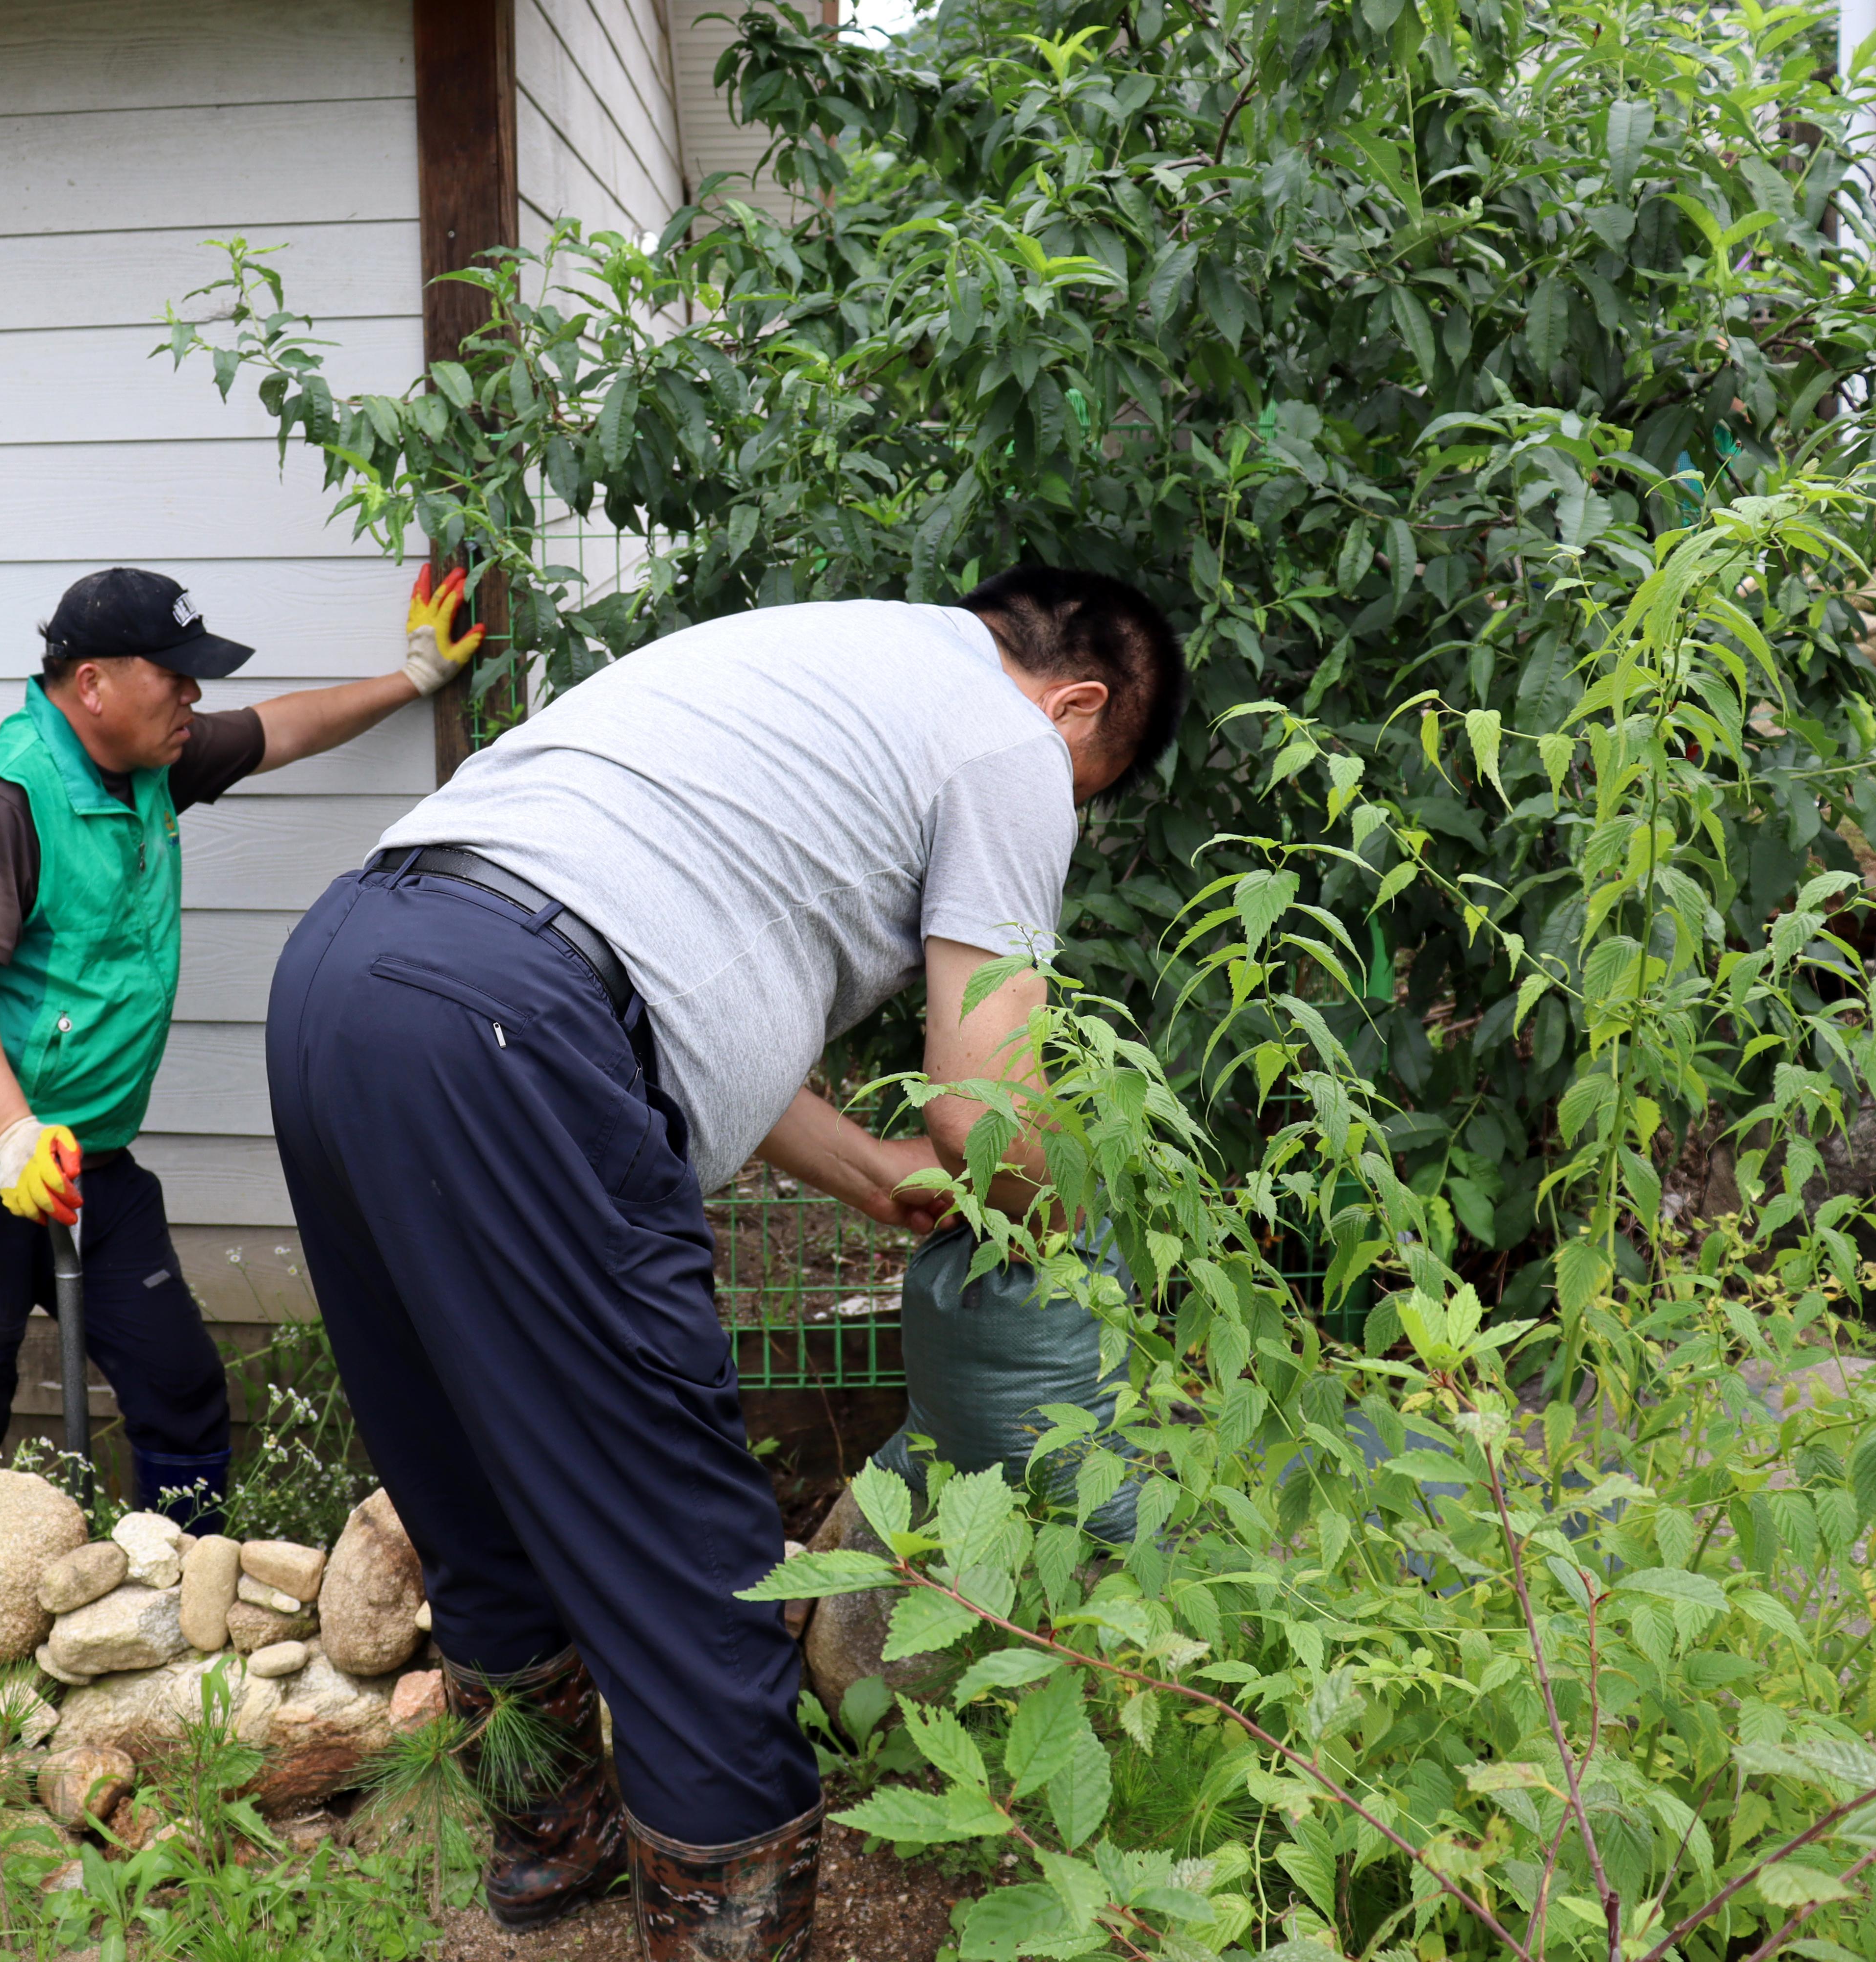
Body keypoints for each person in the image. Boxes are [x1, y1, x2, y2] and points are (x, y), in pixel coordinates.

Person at [263, 567, 1186, 1959]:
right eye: (1090, 783)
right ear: (1082, 703)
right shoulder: (1011, 742)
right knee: (698, 1562)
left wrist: (871, 1175)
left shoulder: (821, 661)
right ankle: (730, 1937)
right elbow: (984, 1109)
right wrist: (1053, 1232)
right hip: (513, 1025)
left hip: (342, 980)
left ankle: (546, 1851)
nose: (1064, 813)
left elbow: (667, 991)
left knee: (466, 1483)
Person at [0, 565, 485, 1524]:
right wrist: (12, 1134)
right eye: (176, 675)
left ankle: (177, 1592)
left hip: (92, 1159)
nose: (195, 696)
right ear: (94, 684)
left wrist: (413, 676)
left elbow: (283, 728)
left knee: (182, 1388)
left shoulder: (149, 756)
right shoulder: (6, 800)